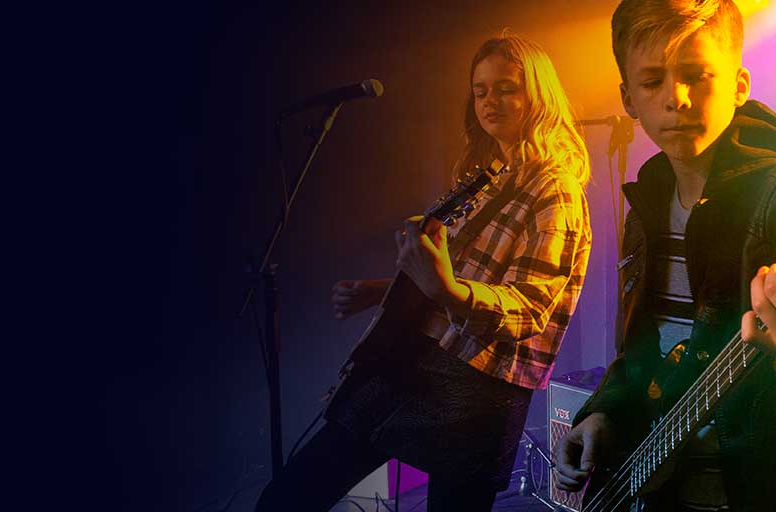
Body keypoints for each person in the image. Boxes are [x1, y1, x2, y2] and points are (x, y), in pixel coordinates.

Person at [552, 1, 776, 510]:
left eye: (696, 76)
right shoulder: (646, 205)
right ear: (627, 98)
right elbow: (641, 353)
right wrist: (601, 413)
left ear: (739, 86)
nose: (675, 98)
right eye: (652, 81)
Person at [254, 32, 593, 511]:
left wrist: (445, 288)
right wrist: (385, 290)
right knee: (289, 496)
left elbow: (532, 307)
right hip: (418, 363)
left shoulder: (554, 188)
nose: (490, 101)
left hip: (478, 389)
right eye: (480, 91)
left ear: (537, 95)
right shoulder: (492, 176)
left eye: (506, 88)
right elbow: (462, 273)